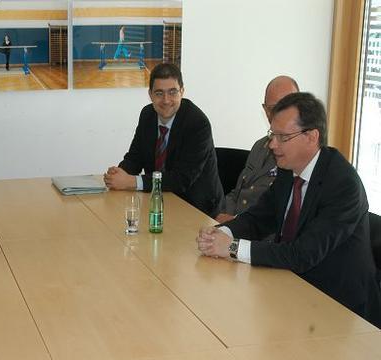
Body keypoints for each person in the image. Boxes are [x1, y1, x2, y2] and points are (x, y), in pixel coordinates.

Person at [197, 92, 381, 328]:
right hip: (292, 288)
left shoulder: (343, 184)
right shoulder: (288, 169)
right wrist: (221, 233)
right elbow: (259, 218)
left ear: (312, 137)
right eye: (272, 134)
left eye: (282, 137)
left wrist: (231, 247)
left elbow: (302, 254)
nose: (272, 144)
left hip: (340, 310)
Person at [104, 63, 224, 217]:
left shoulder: (197, 123)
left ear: (182, 91)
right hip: (157, 200)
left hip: (196, 207)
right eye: (159, 93)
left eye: (172, 92)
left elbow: (181, 179)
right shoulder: (147, 114)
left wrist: (131, 182)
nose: (166, 100)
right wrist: (119, 173)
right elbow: (135, 158)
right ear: (150, 94)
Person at [216, 76, 300, 223]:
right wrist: (216, 216)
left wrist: (234, 221)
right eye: (273, 108)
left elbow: (284, 218)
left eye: (286, 106)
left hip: (256, 232)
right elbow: (237, 194)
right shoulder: (260, 146)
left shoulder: (301, 156)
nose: (279, 113)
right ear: (265, 111)